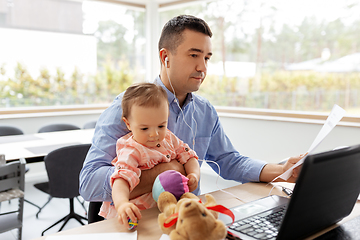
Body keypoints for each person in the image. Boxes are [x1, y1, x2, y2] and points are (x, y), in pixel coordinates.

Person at [79, 14, 303, 219]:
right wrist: (168, 171)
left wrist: (281, 170)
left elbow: (229, 161)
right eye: (194, 55)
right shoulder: (126, 108)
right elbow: (89, 183)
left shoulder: (204, 111)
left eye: (207, 57)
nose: (202, 67)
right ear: (165, 57)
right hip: (139, 222)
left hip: (187, 218)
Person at [99, 83, 200, 227]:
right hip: (138, 216)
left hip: (163, 211)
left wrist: (194, 174)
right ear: (128, 124)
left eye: (161, 126)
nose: (154, 134)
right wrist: (122, 204)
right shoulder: (131, 150)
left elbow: (188, 156)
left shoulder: (169, 138)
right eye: (145, 128)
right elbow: (121, 180)